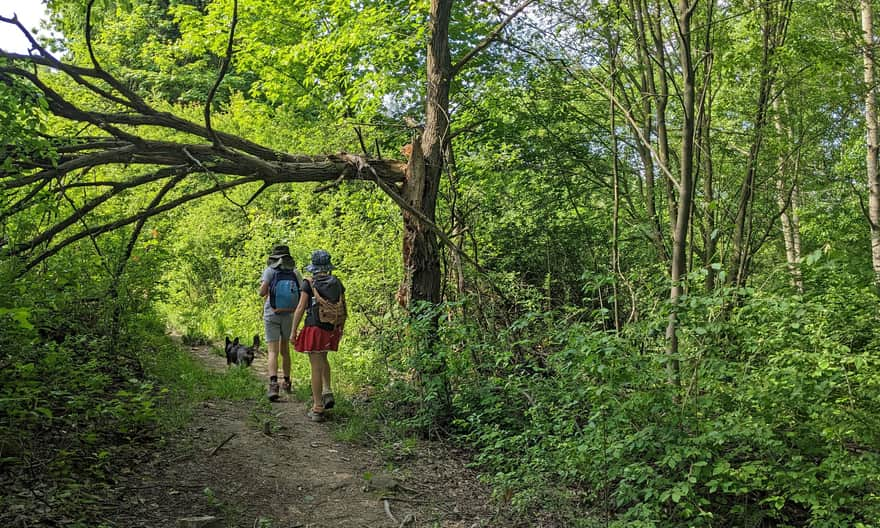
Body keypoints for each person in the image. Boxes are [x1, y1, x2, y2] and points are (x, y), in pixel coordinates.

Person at [290, 249, 346, 422]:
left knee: (315, 366)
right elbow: (343, 305)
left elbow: (300, 308)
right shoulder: (337, 282)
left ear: (314, 267)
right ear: (328, 267)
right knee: (323, 359)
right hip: (331, 327)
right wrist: (340, 328)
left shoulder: (309, 283)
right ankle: (327, 391)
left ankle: (317, 407)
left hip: (314, 327)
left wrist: (293, 331)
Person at [258, 244, 303, 401]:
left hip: (272, 313)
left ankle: (273, 384)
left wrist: (267, 288)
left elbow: (262, 292)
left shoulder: (270, 271)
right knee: (285, 351)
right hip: (290, 315)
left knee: (272, 351)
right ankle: (287, 381)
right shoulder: (295, 272)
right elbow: (302, 291)